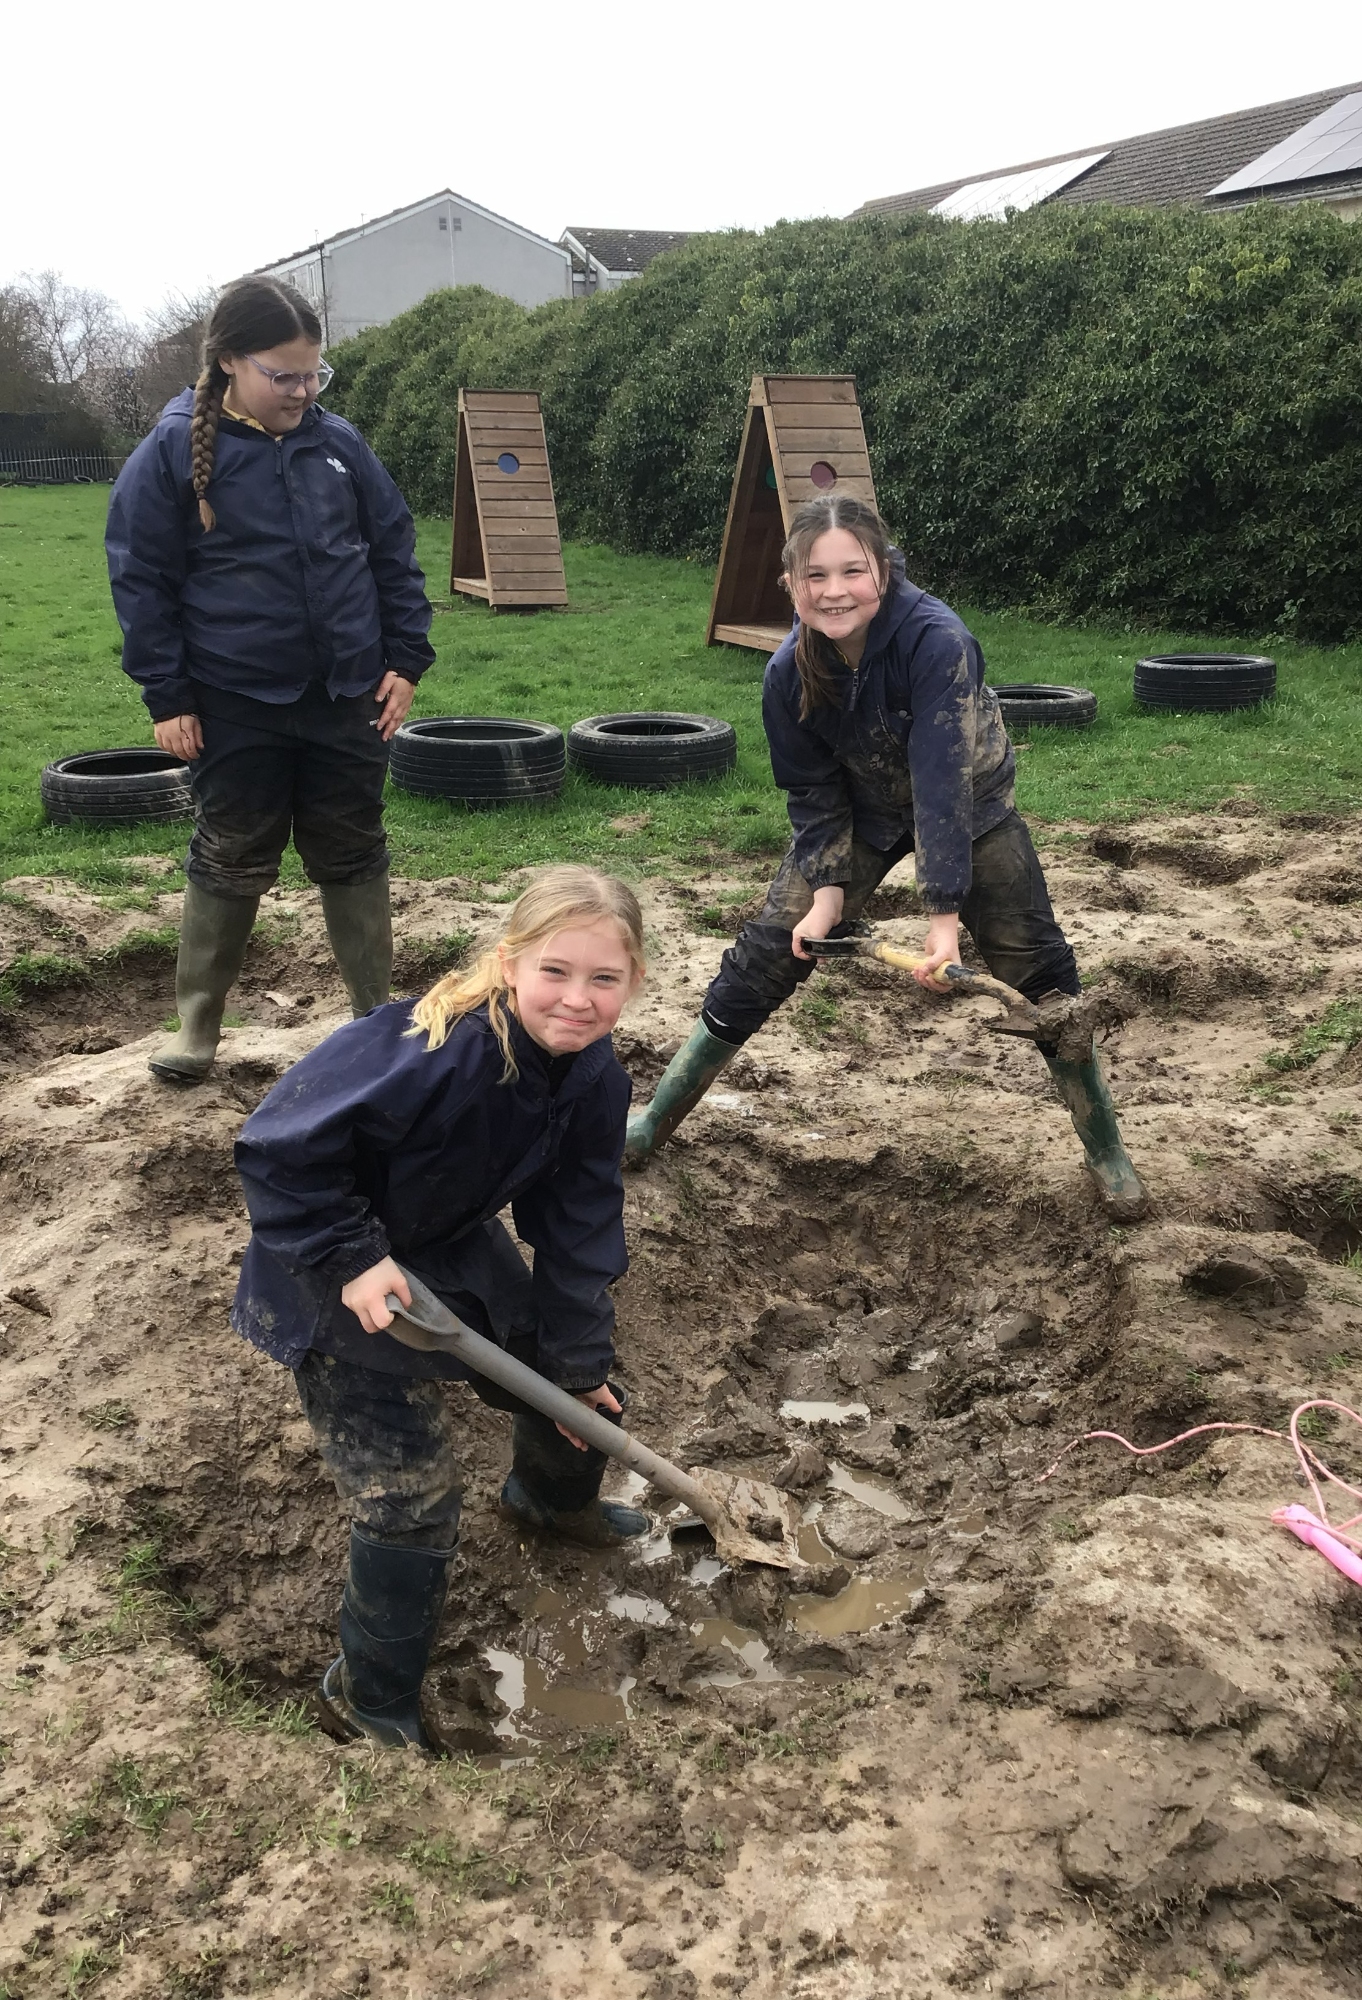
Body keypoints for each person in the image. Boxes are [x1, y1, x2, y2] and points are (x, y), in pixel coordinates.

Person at [625, 493, 1148, 1221]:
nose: (834, 591)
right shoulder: (786, 673)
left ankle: (1106, 1150)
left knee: (1037, 968)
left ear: (883, 568)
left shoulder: (938, 640)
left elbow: (942, 784)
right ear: (790, 583)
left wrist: (943, 922)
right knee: (768, 953)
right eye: (815, 576)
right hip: (863, 813)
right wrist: (827, 896)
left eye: (852, 571)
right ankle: (656, 1118)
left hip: (972, 807)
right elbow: (813, 791)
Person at [230, 866, 649, 1751]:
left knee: (571, 1389)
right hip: (329, 1265)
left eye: (603, 979)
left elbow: (578, 1224)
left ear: (634, 982)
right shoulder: (434, 1050)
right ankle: (368, 1697)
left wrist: (578, 1367)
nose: (578, 999)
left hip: (445, 1240)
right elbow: (279, 1148)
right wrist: (353, 1258)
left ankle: (550, 1503)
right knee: (411, 1499)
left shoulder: (591, 1075)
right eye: (555, 972)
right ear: (510, 963)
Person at [105, 274, 435, 1084]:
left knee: (353, 849)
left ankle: (373, 1020)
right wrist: (168, 696)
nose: (301, 391)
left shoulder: (340, 445)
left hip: (348, 698)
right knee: (231, 853)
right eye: (282, 375)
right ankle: (196, 1028)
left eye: (313, 374)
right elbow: (141, 581)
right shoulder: (171, 452)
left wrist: (405, 662)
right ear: (229, 361)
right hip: (233, 704)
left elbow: (393, 551)